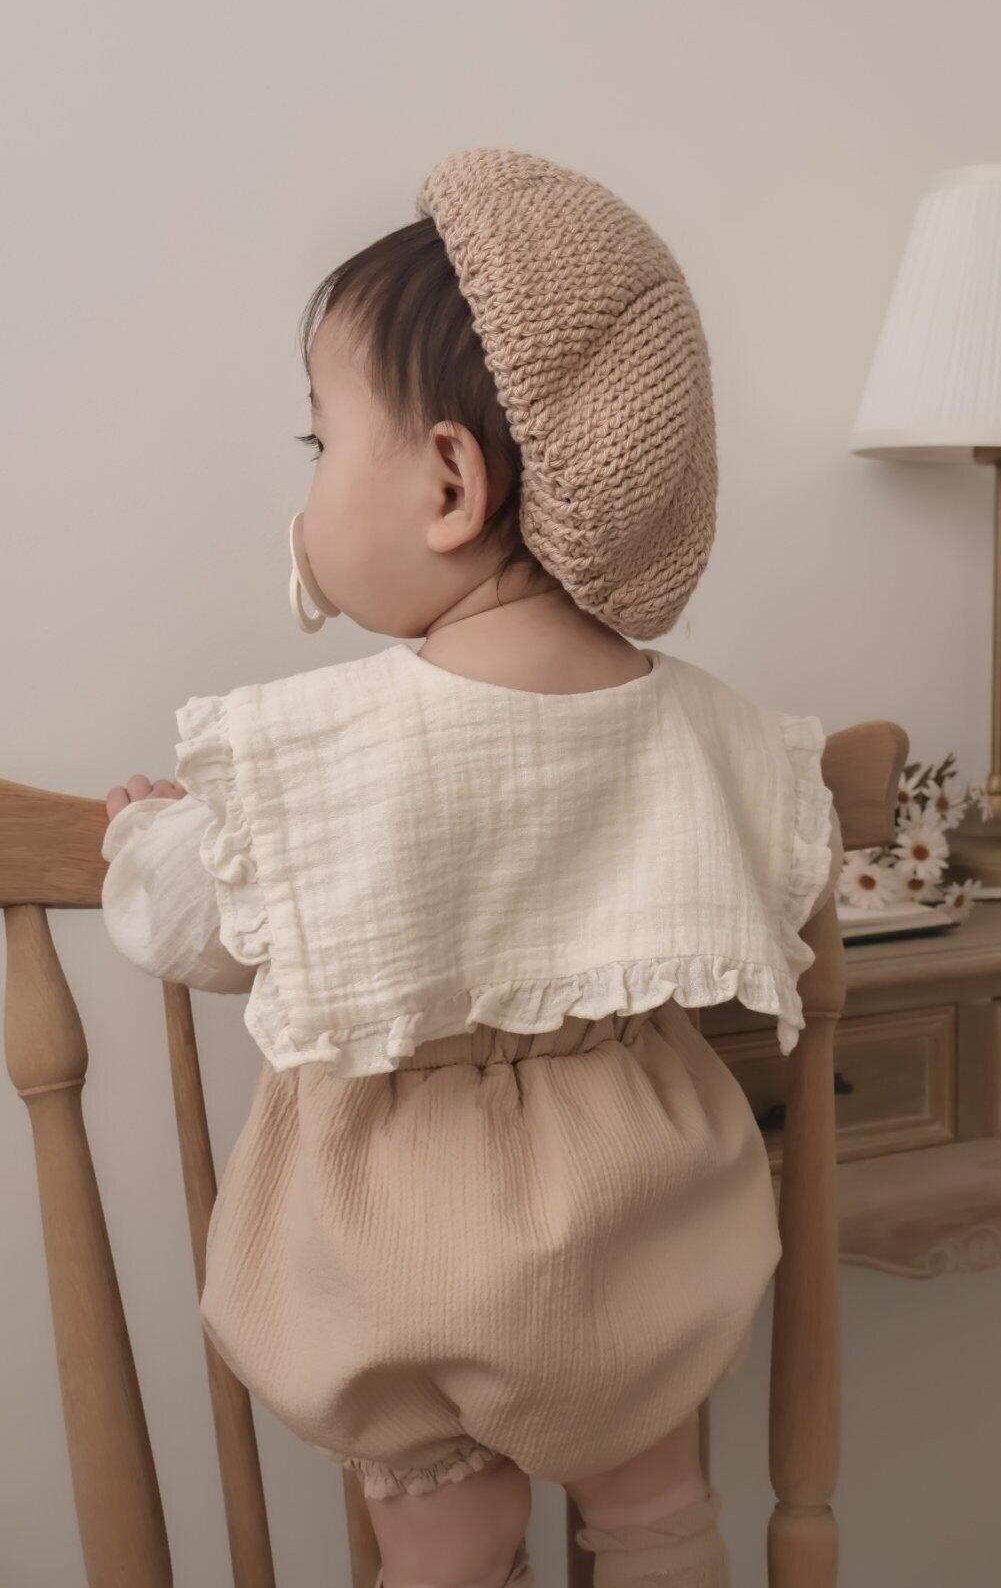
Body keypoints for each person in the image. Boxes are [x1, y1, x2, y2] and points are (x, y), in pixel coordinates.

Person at [100, 149, 842, 1588]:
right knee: (657, 1512)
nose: (310, 487)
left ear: (450, 481)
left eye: (320, 445)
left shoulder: (330, 746)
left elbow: (180, 921)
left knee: (446, 1548)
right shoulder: (711, 729)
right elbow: (793, 877)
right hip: (638, 1250)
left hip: (402, 1266)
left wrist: (147, 832)